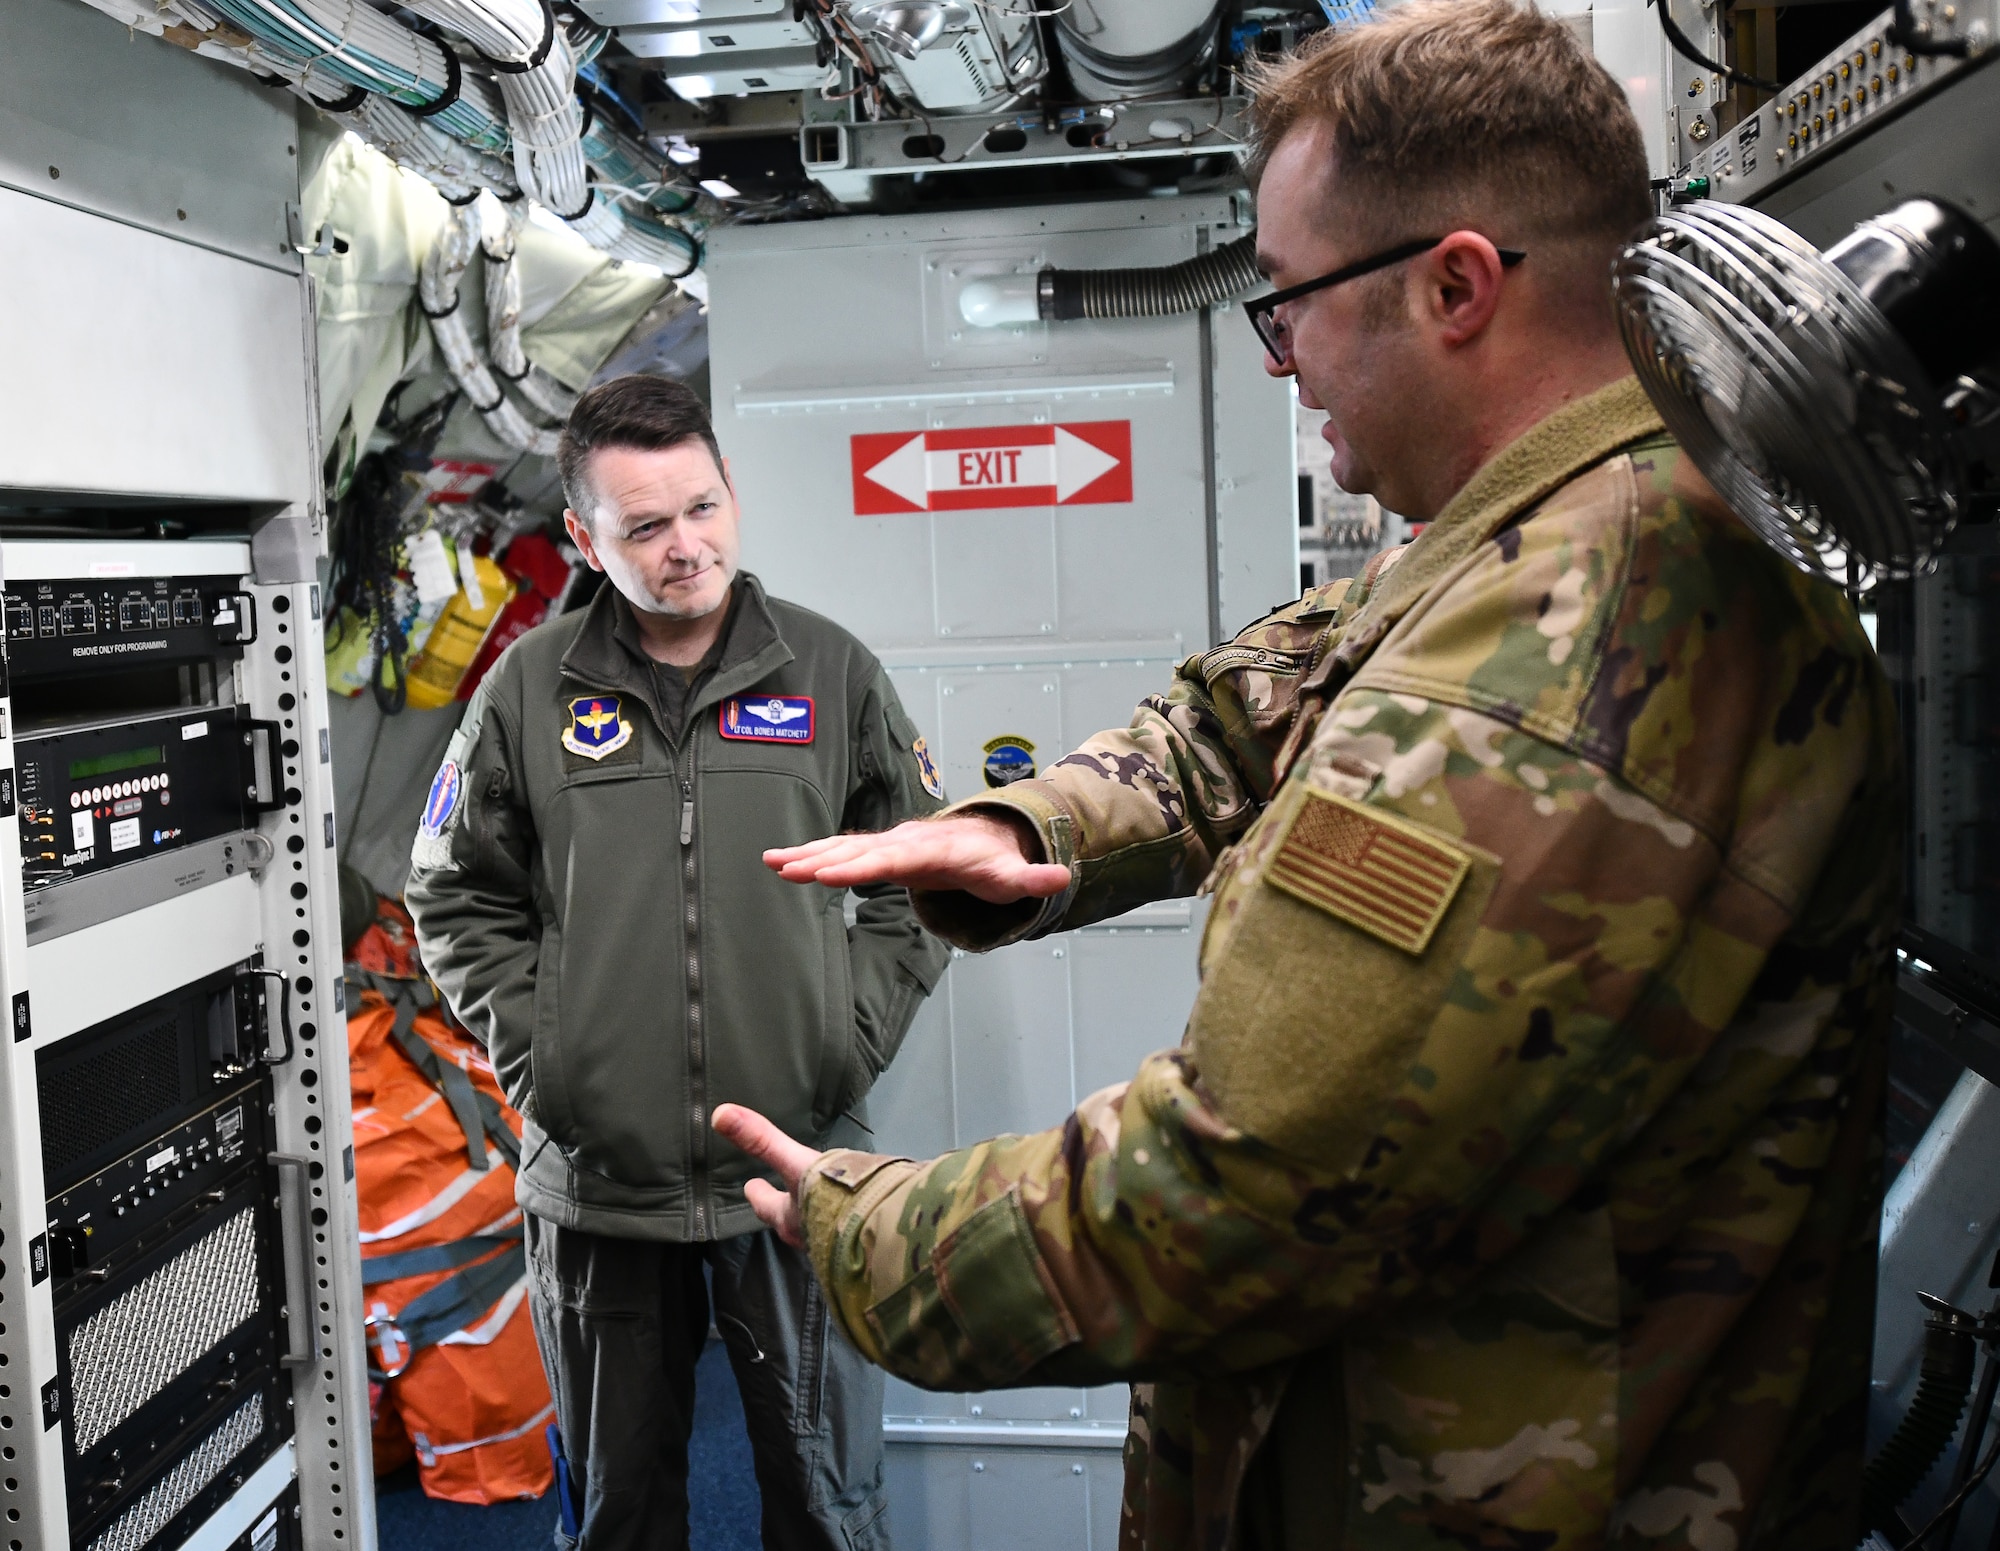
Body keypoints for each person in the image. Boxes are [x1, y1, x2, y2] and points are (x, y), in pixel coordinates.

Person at [710, 5, 1904, 1549]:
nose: (1278, 359)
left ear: (1454, 286)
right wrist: (1033, 821)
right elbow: (1271, 692)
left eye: (1289, 304)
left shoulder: (1564, 652)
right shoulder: (1564, 524)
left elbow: (1234, 1187)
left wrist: (864, 1229)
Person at [405, 374, 950, 1551]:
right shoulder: (525, 689)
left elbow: (923, 873)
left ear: (729, 496)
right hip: (599, 1184)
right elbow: (451, 892)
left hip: (798, 1167)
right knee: (618, 1515)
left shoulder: (831, 671)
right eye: (642, 526)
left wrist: (842, 1039)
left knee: (826, 1504)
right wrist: (552, 1063)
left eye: (700, 508)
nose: (683, 546)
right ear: (583, 541)